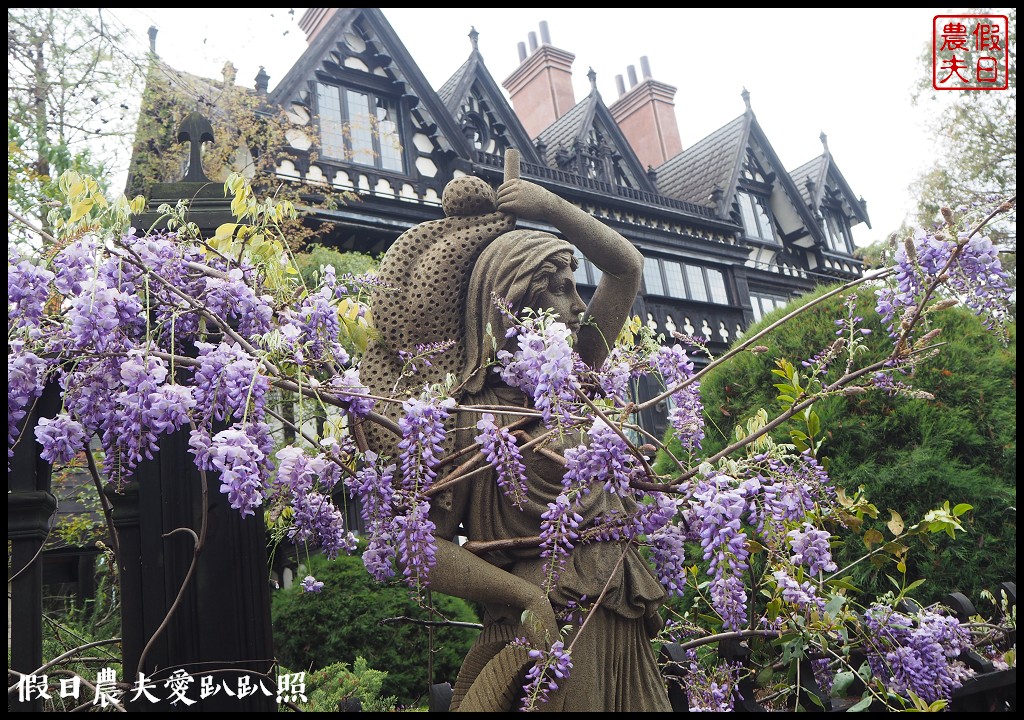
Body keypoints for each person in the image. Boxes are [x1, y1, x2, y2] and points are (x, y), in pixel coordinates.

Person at [361, 170, 671, 712]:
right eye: (560, 288)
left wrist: (550, 206)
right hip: (549, 623)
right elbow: (422, 551)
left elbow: (627, 267)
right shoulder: (464, 417)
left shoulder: (569, 380)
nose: (579, 306)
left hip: (622, 604)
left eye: (576, 286)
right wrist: (524, 595)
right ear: (513, 300)